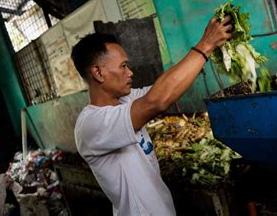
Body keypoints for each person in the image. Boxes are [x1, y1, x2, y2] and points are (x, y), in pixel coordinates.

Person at [70, 16, 232, 215]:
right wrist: (205, 44)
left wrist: (213, 48)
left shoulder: (125, 101)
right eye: (123, 66)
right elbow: (157, 100)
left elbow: (166, 89)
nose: (130, 73)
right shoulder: (90, 125)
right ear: (98, 73)